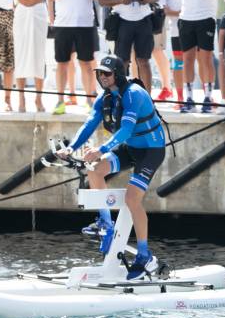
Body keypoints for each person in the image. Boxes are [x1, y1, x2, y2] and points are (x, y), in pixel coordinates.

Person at [62, 55, 166, 281]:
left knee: (132, 199)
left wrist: (101, 148)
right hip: (130, 148)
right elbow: (89, 123)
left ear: (117, 74)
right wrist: (71, 148)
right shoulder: (105, 97)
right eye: (99, 73)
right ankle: (107, 225)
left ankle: (145, 255)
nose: (102, 77)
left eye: (106, 73)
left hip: (151, 150)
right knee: (94, 169)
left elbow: (126, 130)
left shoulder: (134, 94)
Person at [47, 0, 101, 114]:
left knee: (86, 63)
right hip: (63, 24)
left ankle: (90, 101)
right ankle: (60, 101)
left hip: (85, 23)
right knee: (62, 63)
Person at [173, 0, 218, 113]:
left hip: (205, 17)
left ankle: (208, 96)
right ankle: (189, 96)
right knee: (188, 58)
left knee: (206, 58)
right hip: (186, 18)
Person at [10, 0, 48, 112]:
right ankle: (21, 98)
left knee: (38, 54)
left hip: (38, 12)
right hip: (22, 13)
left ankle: (39, 98)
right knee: (21, 54)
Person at [150, 0, 180, 103]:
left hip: (195, 19)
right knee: (178, 58)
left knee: (199, 56)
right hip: (175, 23)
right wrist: (180, 13)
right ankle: (168, 88)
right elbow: (165, 9)